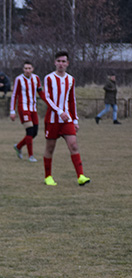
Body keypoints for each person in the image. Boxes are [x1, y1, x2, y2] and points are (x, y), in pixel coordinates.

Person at [42, 51, 90, 186]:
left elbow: (72, 100)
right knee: (50, 148)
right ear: (55, 63)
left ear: (67, 63)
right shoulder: (49, 78)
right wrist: (58, 111)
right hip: (52, 119)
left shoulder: (71, 79)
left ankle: (81, 176)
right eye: (59, 61)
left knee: (73, 145)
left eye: (64, 61)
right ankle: (48, 177)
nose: (61, 64)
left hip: (67, 119)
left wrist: (75, 120)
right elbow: (47, 98)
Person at [10, 61, 43, 163]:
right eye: (25, 68)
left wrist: (51, 103)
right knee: (29, 131)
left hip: (33, 108)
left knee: (35, 132)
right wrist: (12, 110)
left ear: (32, 69)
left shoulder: (36, 78)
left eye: (29, 68)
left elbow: (41, 92)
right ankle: (31, 156)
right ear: (23, 69)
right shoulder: (19, 79)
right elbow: (14, 95)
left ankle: (18, 146)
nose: (27, 70)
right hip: (23, 108)